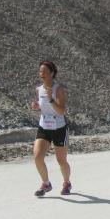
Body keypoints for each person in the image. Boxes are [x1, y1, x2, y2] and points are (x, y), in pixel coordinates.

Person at [30, 60, 71, 196]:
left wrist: (51, 99)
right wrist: (37, 106)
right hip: (44, 127)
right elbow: (43, 106)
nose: (42, 74)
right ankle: (46, 184)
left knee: (61, 161)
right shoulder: (39, 89)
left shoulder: (58, 89)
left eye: (45, 71)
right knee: (37, 156)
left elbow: (61, 111)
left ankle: (67, 183)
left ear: (52, 73)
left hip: (59, 128)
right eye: (40, 71)